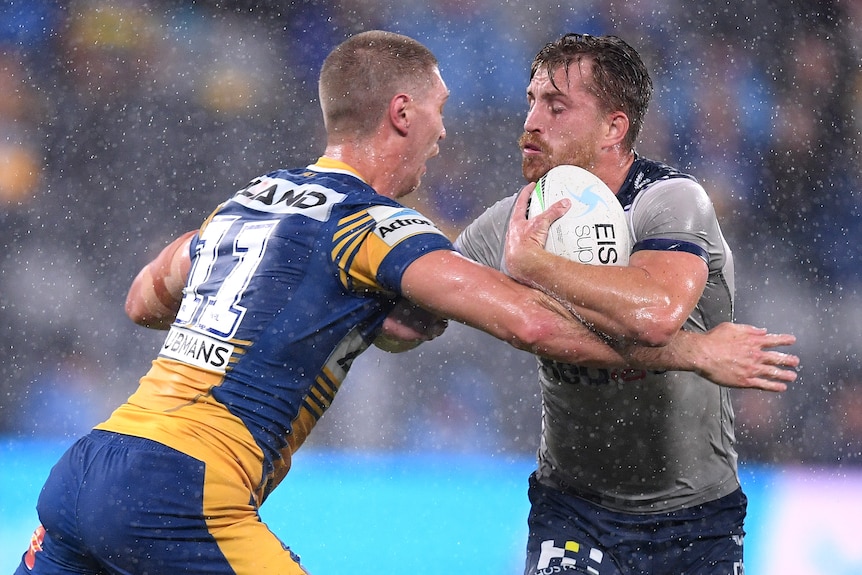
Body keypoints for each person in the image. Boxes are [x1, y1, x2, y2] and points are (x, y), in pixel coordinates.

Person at [15, 31, 798, 575]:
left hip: (85, 468)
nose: (445, 133)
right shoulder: (378, 228)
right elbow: (527, 319)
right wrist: (694, 350)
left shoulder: (249, 202)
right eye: (438, 111)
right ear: (401, 113)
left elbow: (144, 295)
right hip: (182, 491)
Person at [454, 33, 788, 575]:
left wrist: (535, 267)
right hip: (574, 511)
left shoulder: (671, 201)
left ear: (614, 126)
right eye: (531, 100)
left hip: (696, 518)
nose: (532, 120)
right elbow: (411, 317)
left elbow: (654, 315)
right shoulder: (512, 221)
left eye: (556, 106)